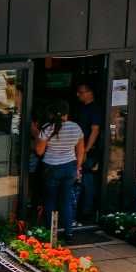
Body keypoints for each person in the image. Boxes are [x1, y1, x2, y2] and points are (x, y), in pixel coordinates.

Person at [33, 103, 85, 236]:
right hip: (70, 167)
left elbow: (39, 151)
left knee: (50, 200)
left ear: (51, 114)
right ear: (66, 114)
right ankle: (69, 233)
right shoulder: (76, 127)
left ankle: (51, 233)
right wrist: (78, 167)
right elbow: (81, 150)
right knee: (66, 200)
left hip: (51, 168)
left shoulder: (47, 129)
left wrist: (36, 135)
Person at [71, 82, 106, 221]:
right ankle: (81, 208)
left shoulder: (95, 109)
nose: (78, 95)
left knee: (87, 179)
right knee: (81, 179)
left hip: (87, 150)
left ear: (89, 92)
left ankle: (87, 210)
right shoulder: (81, 108)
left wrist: (85, 150)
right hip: (79, 148)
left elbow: (95, 130)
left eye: (81, 92)